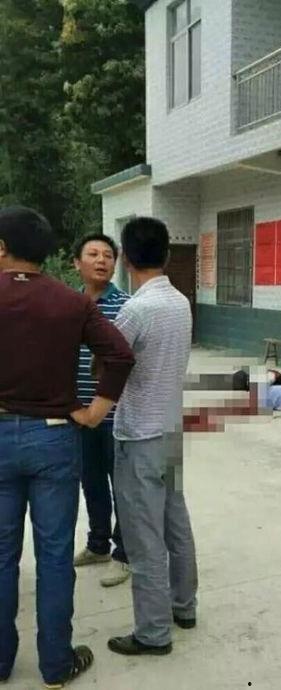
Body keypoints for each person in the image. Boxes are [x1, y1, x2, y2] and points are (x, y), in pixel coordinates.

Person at [0, 207, 135, 687]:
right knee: (55, 555)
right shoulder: (71, 303)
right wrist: (96, 410)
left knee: (2, 555)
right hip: (55, 436)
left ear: (2, 248)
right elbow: (120, 355)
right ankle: (55, 666)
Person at [107, 217, 198, 657]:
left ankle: (153, 632)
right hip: (170, 431)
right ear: (166, 254)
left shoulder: (135, 310)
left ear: (126, 258)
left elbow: (108, 365)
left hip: (139, 435)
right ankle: (184, 606)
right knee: (176, 523)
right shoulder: (181, 302)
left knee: (144, 539)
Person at [72, 233, 131, 588]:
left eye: (108, 255)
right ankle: (98, 545)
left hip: (115, 415)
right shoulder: (68, 305)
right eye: (93, 254)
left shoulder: (126, 306)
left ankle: (124, 553)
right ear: (76, 263)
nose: (101, 260)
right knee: (91, 483)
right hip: (79, 415)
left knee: (121, 488)